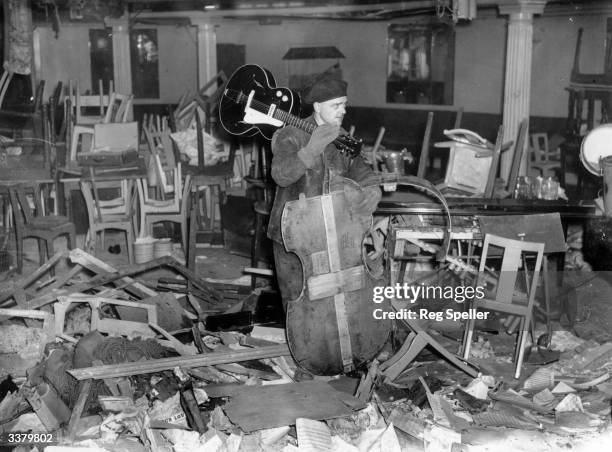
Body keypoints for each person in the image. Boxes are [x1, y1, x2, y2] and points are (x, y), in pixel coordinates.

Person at [267, 76, 381, 310]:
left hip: (333, 232)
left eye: (344, 104)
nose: (343, 111)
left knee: (334, 301)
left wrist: (372, 189)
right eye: (335, 105)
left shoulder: (342, 138)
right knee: (299, 302)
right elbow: (281, 175)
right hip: (294, 236)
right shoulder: (290, 134)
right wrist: (310, 150)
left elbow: (362, 171)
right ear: (317, 106)